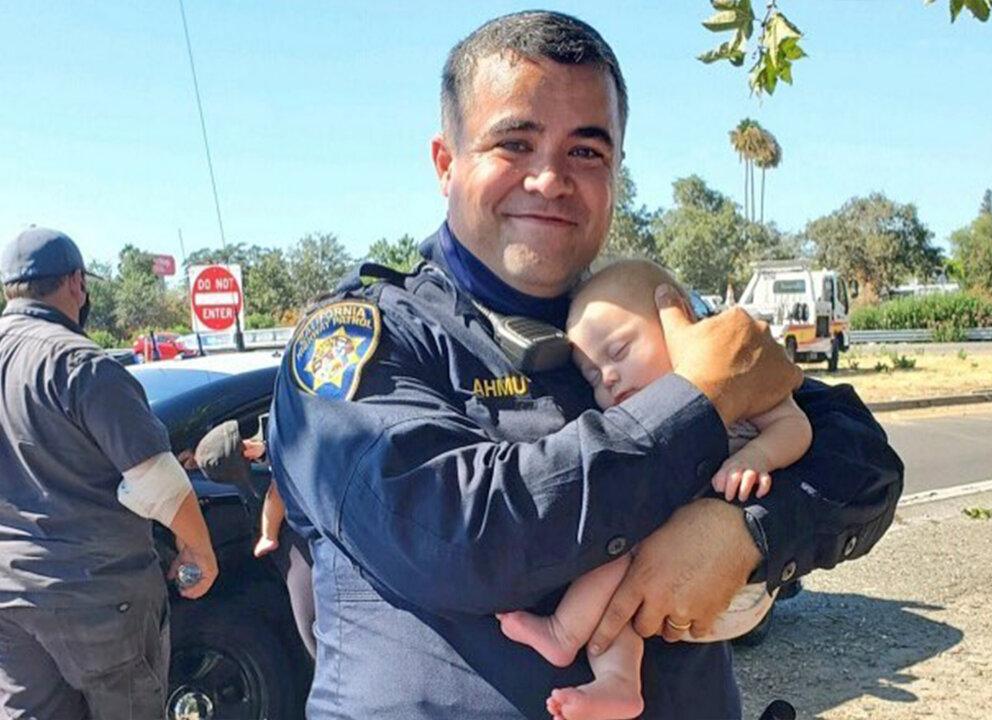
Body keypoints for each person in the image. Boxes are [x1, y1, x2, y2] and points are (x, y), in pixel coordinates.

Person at [268, 11, 904, 720]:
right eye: (515, 142)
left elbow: (861, 458)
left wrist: (747, 530)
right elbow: (458, 534)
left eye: (587, 152)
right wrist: (693, 404)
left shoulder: (639, 316)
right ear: (447, 163)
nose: (550, 178)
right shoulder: (363, 341)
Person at [496, 259, 813, 720]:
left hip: (740, 590)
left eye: (620, 349)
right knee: (613, 558)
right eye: (591, 374)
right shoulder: (625, 423)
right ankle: (607, 673)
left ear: (677, 320)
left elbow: (795, 424)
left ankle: (567, 637)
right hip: (659, 606)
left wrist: (756, 459)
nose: (607, 376)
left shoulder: (737, 376)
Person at [0, 227, 219, 719]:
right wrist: (199, 550)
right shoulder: (79, 363)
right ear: (76, 284)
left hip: (8, 598)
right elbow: (155, 481)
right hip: (95, 597)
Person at [193, 419, 317, 659]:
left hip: (291, 562)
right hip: (303, 553)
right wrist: (268, 535)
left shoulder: (244, 487)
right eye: (243, 443)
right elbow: (278, 491)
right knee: (316, 629)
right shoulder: (274, 469)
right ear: (245, 452)